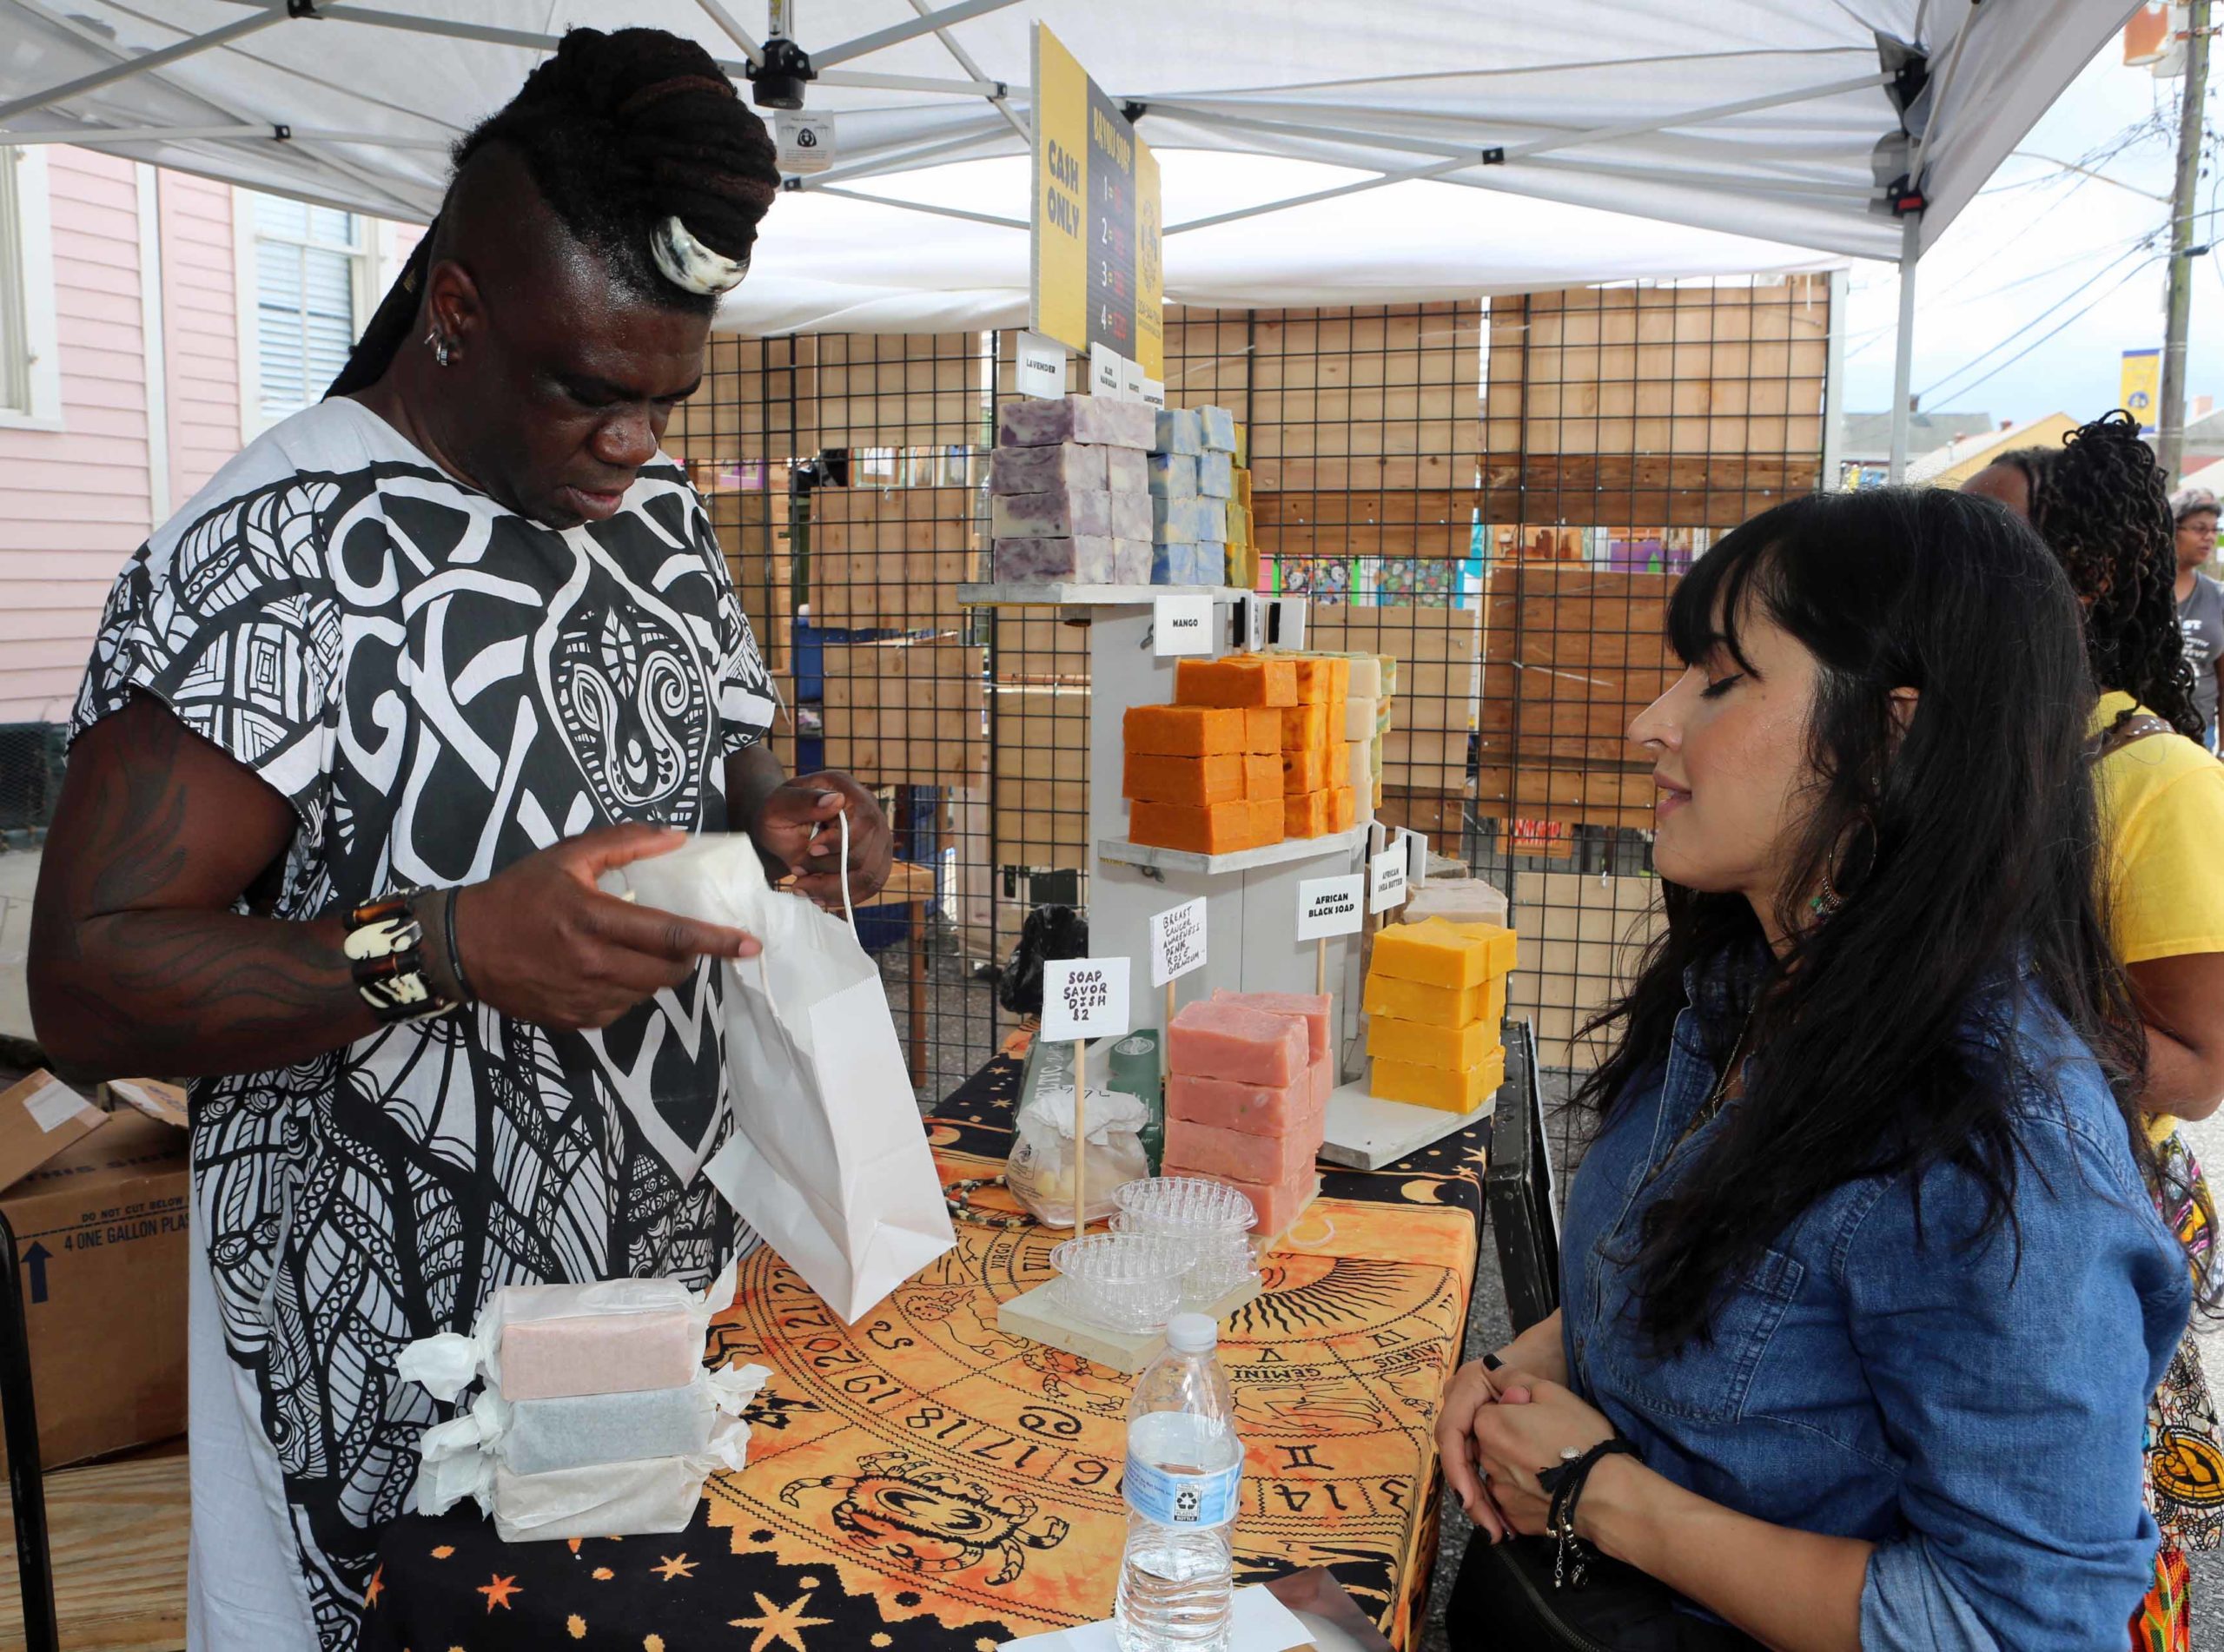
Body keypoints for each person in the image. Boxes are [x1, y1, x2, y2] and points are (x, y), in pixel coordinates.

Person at [25, 29, 893, 1652]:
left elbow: (716, 766)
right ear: (457, 307)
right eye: (591, 392)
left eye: (665, 401)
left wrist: (778, 825)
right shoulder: (264, 558)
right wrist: (444, 945)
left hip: (658, 1332)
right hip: (382, 1400)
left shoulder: (656, 513)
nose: (635, 447)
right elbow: (85, 979)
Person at [1433, 486, 2188, 1650]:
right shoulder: (1736, 990)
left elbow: (2019, 1621)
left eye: (1721, 678)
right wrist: (1519, 1362)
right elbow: (1691, 1295)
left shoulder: (1999, 1143)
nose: (1652, 720)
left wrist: (1607, 1497)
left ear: (1890, 737)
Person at [1961, 416, 2224, 1649]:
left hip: (2083, 1229)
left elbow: (2196, 1067)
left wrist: (1985, 995)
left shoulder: (2152, 781)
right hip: (1964, 1214)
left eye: (1993, 542)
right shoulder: (1965, 758)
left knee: (2074, 1568)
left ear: (2092, 577)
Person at [2169, 485, 2224, 750]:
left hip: (2201, 735)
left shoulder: (2218, 596)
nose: (2210, 537)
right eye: (2200, 528)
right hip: (2144, 731)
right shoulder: (2139, 593)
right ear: (2172, 529)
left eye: (2214, 530)